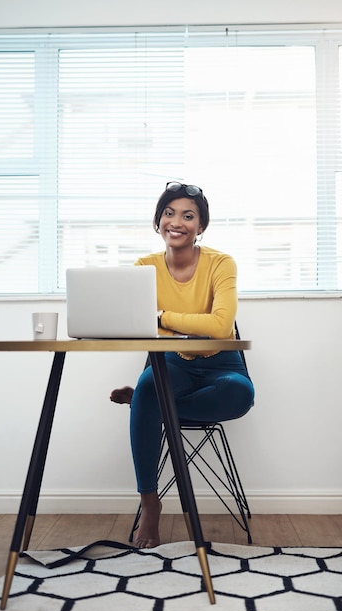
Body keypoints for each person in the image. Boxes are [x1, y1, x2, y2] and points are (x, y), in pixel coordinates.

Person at [110, 181, 255, 549]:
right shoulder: (144, 267)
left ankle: (145, 404)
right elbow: (132, 323)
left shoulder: (221, 263)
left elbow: (220, 326)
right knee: (149, 388)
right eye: (169, 213)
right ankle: (150, 503)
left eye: (188, 216)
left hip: (222, 361)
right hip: (171, 362)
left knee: (239, 395)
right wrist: (180, 322)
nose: (177, 222)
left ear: (200, 226)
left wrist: (160, 315)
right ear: (158, 221)